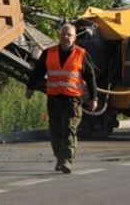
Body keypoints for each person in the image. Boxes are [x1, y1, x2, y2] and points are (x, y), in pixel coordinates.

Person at [25, 23, 98, 174]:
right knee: (56, 131)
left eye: (69, 35)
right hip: (54, 98)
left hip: (72, 100)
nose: (66, 37)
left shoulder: (81, 54)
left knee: (69, 129)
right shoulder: (49, 53)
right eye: (63, 34)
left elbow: (90, 78)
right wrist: (30, 87)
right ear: (59, 36)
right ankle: (60, 158)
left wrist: (94, 98)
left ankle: (67, 160)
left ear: (74, 38)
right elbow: (38, 71)